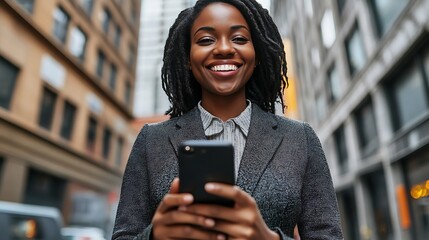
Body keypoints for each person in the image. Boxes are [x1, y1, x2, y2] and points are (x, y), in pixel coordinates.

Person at [112, 0, 343, 239]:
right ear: (187, 59)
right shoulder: (152, 141)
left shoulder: (300, 139)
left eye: (239, 39)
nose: (223, 48)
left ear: (258, 55)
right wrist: (155, 236)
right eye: (205, 40)